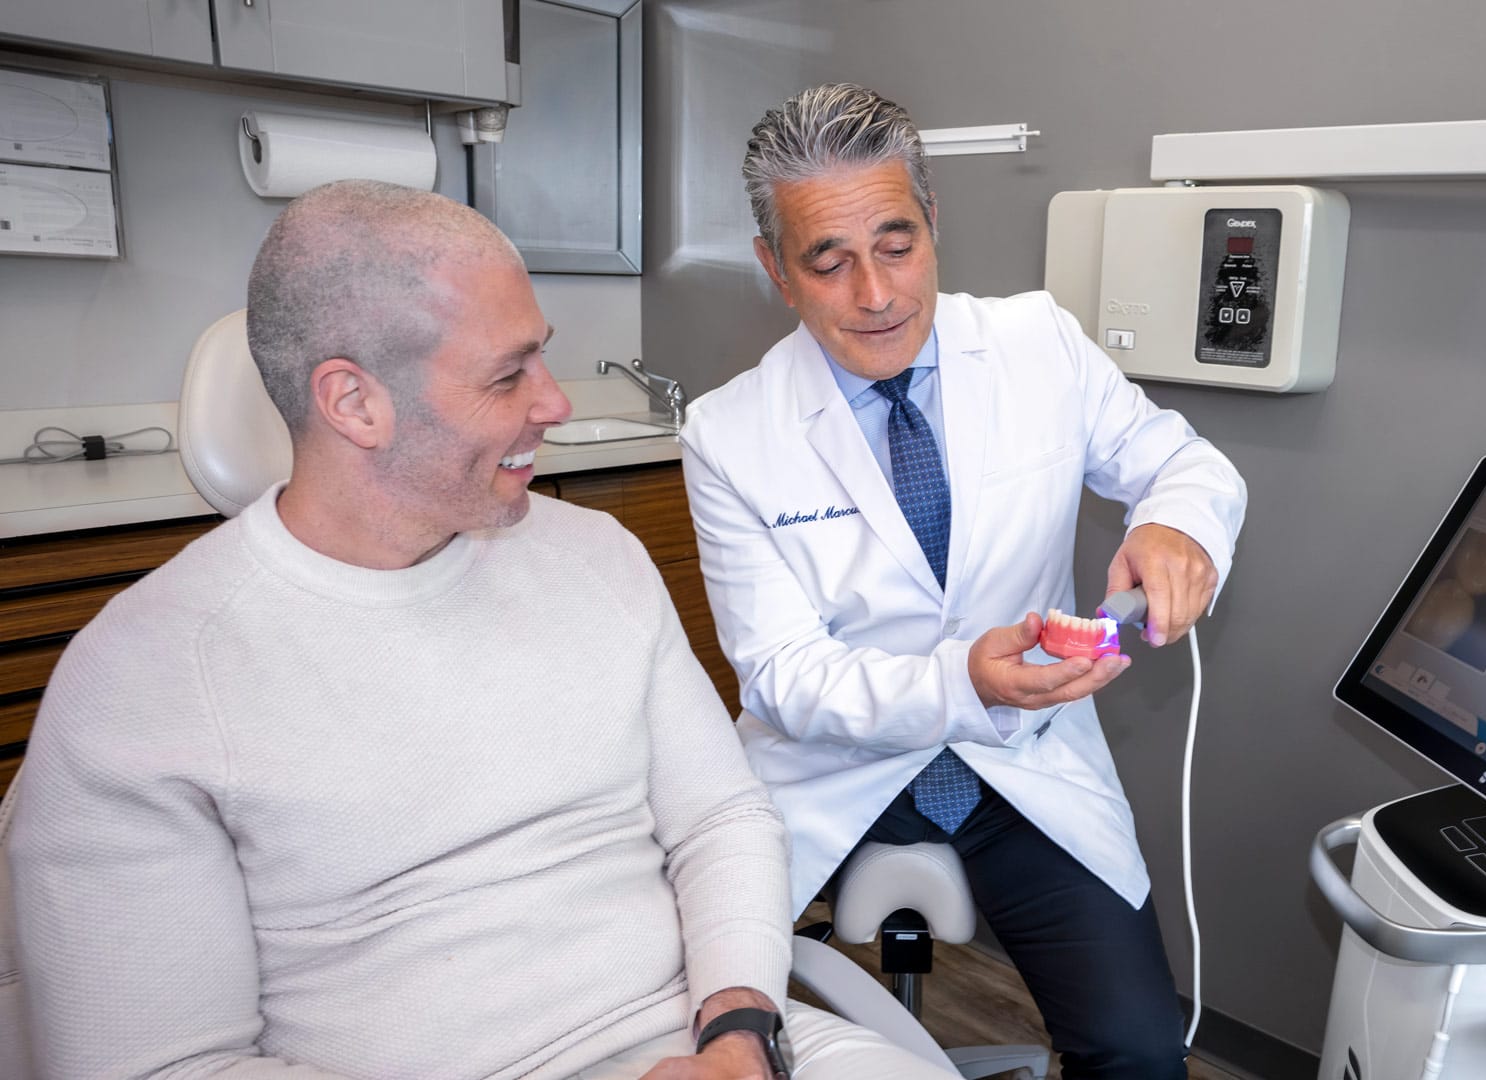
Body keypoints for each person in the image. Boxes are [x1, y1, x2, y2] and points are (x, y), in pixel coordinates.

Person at [7, 180, 950, 1080]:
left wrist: (740, 1025)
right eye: (508, 376)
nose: (555, 402)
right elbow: (158, 1064)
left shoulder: (597, 559)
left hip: (713, 1039)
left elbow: (721, 817)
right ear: (353, 403)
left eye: (541, 355)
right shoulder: (145, 684)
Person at [680, 85, 1248, 1078]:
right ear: (777, 269)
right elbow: (783, 677)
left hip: (1023, 763)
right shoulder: (729, 435)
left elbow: (1184, 463)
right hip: (835, 776)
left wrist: (1172, 525)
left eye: (897, 245)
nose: (876, 294)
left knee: (1140, 1050)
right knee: (705, 1026)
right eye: (828, 260)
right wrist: (963, 679)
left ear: (935, 222)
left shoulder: (1039, 345)